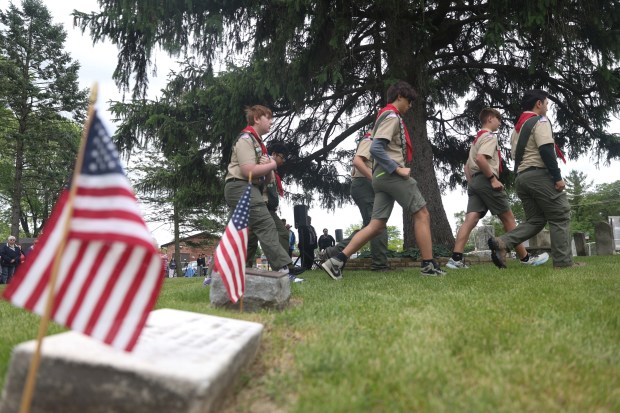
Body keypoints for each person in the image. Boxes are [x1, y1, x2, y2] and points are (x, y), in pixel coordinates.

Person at [322, 80, 446, 279]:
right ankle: (428, 265)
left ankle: (337, 261)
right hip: (390, 175)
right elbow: (375, 148)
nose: (410, 105)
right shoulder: (391, 116)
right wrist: (397, 168)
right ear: (399, 97)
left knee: (375, 226)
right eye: (409, 101)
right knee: (422, 213)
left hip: (379, 177)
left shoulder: (384, 116)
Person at [447, 108, 549, 269]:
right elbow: (481, 159)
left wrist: (474, 183)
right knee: (508, 218)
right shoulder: (489, 137)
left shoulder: (476, 140)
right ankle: (525, 258)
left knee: (470, 220)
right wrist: (492, 179)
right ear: (489, 119)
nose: (500, 122)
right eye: (498, 119)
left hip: (475, 182)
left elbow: (467, 167)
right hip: (486, 180)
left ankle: (456, 259)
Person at [488, 89, 577, 269]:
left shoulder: (517, 128)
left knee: (535, 221)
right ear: (538, 103)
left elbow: (515, 155)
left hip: (522, 178)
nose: (547, 107)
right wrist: (557, 177)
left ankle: (503, 242)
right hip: (538, 175)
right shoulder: (540, 121)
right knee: (560, 214)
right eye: (546, 103)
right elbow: (545, 149)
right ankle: (563, 263)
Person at [223, 105, 304, 281]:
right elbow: (247, 171)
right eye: (268, 118)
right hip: (241, 186)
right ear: (257, 118)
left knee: (235, 233)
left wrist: (266, 169)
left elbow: (264, 181)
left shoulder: (259, 144)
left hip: (247, 187)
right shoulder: (246, 139)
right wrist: (272, 164)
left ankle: (216, 274)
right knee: (266, 225)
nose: (271, 122)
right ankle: (283, 272)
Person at [320, 132, 390, 271]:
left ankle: (335, 251)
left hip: (366, 185)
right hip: (364, 184)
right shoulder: (371, 138)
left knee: (370, 226)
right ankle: (379, 265)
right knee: (378, 224)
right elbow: (357, 162)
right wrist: (376, 180)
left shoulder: (378, 141)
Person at [246, 142, 291, 269]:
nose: (283, 161)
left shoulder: (272, 168)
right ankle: (284, 267)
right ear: (275, 154)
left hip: (265, 207)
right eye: (282, 157)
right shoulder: (265, 162)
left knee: (251, 240)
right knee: (280, 234)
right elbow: (257, 183)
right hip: (261, 206)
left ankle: (245, 268)